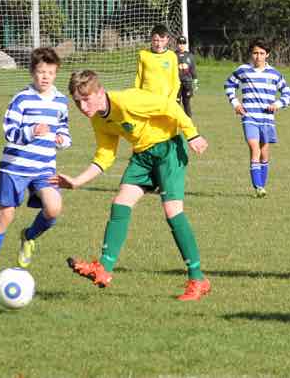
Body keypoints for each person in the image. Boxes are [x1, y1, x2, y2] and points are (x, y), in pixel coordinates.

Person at [52, 70, 210, 301]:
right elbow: (105, 155)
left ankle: (198, 279)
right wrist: (77, 181)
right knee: (120, 203)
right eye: (77, 101)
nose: (83, 107)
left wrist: (192, 134)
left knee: (172, 211)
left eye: (86, 99)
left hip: (168, 149)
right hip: (142, 156)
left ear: (100, 92)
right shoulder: (98, 119)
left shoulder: (127, 101)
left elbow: (170, 106)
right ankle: (103, 269)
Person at [0, 47, 71, 281]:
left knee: (54, 208)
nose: (45, 77)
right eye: (41, 72)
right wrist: (30, 131)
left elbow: (63, 129)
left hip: (44, 167)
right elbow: (9, 131)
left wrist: (62, 140)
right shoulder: (21, 98)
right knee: (6, 214)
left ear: (56, 73)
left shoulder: (61, 101)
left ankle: (28, 236)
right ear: (32, 72)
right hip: (15, 167)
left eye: (50, 72)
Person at [224, 38, 290, 198]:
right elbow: (229, 85)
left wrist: (277, 104)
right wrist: (235, 103)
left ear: (267, 54)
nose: (258, 56)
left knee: (264, 153)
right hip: (249, 117)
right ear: (251, 54)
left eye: (262, 53)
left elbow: (288, 94)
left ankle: (262, 185)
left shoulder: (274, 74)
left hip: (267, 119)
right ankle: (258, 187)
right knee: (254, 149)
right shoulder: (243, 70)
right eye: (255, 53)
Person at [134, 24, 180, 100]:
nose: (159, 44)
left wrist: (171, 99)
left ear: (167, 40)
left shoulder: (172, 56)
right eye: (156, 40)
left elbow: (176, 81)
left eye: (162, 41)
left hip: (165, 100)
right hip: (146, 99)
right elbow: (138, 79)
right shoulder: (143, 54)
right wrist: (137, 96)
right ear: (151, 39)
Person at [175, 35, 198, 117]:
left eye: (183, 43)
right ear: (176, 44)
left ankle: (188, 121)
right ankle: (176, 120)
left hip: (187, 83)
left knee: (186, 103)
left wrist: (195, 81)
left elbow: (193, 69)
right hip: (176, 83)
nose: (181, 45)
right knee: (176, 103)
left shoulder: (190, 56)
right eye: (179, 43)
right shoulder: (173, 55)